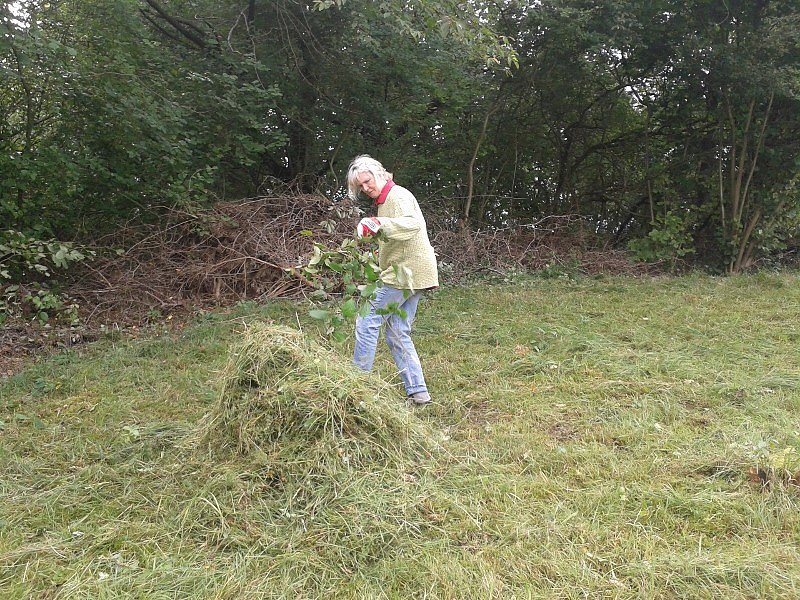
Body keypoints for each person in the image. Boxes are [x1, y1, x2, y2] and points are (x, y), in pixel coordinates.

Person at [347, 154, 439, 405]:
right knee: (398, 331)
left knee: (367, 320)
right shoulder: (384, 200)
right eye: (361, 187)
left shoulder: (398, 196)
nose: (366, 188)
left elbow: (411, 225)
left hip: (405, 273)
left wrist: (378, 224)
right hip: (414, 271)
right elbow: (394, 232)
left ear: (379, 173)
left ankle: (356, 388)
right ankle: (419, 393)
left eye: (367, 182)